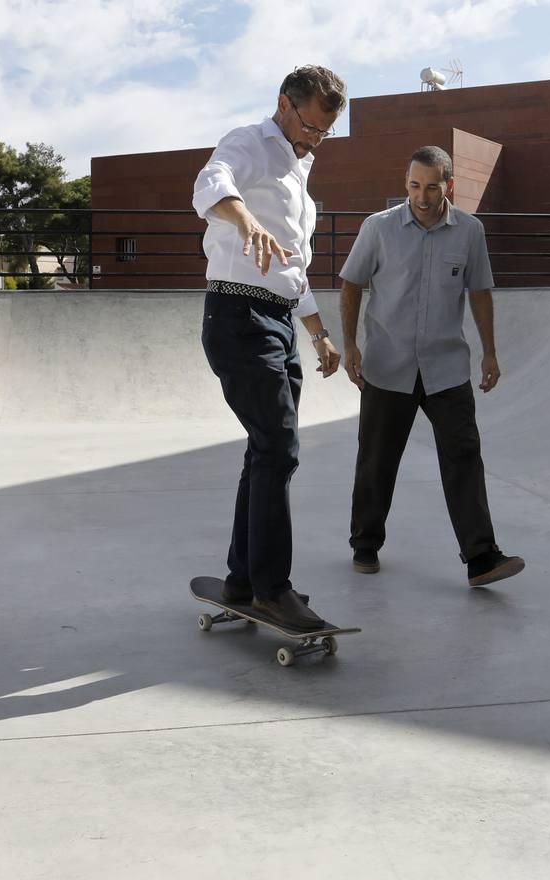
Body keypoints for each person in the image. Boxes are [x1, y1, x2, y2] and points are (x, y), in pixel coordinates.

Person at [192, 66, 346, 631]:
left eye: (325, 133)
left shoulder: (300, 172)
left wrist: (319, 333)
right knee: (280, 448)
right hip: (237, 314)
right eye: (310, 127)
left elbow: (294, 271)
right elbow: (211, 183)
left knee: (265, 449)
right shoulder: (249, 142)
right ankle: (271, 589)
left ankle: (242, 577)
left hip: (279, 322)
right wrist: (246, 220)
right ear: (285, 104)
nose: (314, 141)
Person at [338, 145, 525, 587]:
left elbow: (479, 291)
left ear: (450, 186)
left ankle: (481, 557)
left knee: (464, 457)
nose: (422, 196)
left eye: (433, 187)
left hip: (447, 367)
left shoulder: (470, 231)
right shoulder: (378, 228)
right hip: (387, 364)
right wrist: (349, 345)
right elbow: (351, 284)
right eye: (414, 186)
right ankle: (365, 544)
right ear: (406, 184)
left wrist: (490, 351)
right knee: (377, 461)